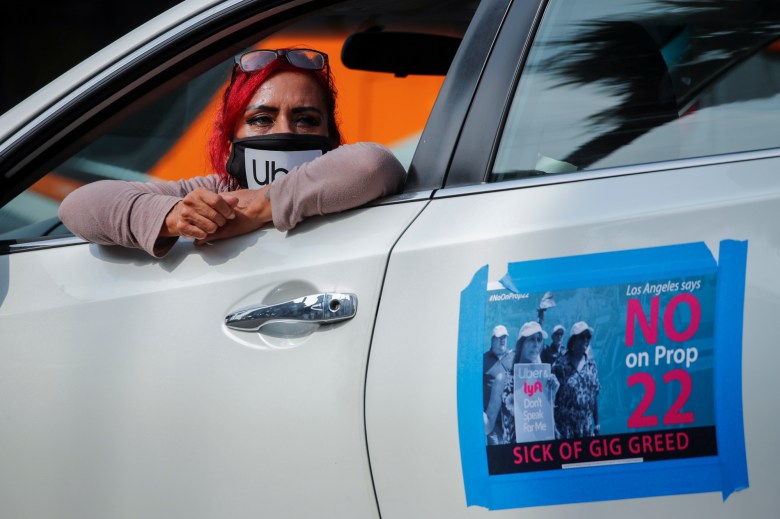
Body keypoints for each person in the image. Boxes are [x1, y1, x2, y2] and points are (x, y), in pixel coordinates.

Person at [59, 48, 406, 257]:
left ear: (330, 137)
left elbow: (374, 164)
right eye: (261, 119)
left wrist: (259, 208)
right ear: (230, 136)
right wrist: (177, 216)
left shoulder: (350, 182)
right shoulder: (214, 194)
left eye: (305, 119)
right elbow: (79, 205)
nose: (284, 131)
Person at [552, 321, 601, 439]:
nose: (586, 340)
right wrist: (553, 426)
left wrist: (597, 424)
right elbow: (551, 399)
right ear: (573, 341)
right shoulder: (560, 366)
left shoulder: (591, 366)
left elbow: (594, 397)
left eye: (588, 336)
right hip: (565, 429)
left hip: (586, 429)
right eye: (582, 337)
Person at [483, 325, 513, 445]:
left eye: (505, 337)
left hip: (511, 420)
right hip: (492, 421)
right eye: (499, 337)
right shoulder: (483, 360)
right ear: (492, 340)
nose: (503, 340)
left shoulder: (513, 357)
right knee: (496, 456)